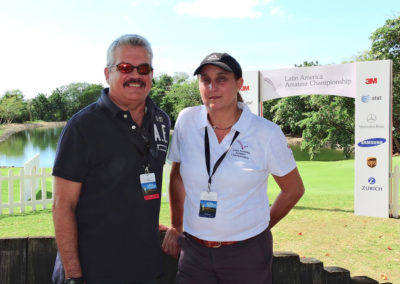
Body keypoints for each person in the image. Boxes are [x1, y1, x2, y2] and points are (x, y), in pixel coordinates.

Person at [162, 52, 305, 283]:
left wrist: (261, 227)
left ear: (239, 84)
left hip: (246, 255)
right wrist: (176, 225)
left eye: (221, 79)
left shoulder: (266, 133)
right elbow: (177, 175)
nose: (212, 86)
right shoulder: (186, 120)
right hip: (194, 252)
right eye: (205, 80)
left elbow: (294, 190)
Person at [52, 34, 170, 284]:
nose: (135, 75)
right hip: (92, 271)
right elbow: (63, 207)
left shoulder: (161, 120)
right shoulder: (83, 126)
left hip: (145, 268)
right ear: (108, 73)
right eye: (125, 67)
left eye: (144, 68)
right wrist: (73, 276)